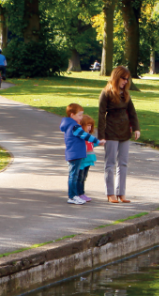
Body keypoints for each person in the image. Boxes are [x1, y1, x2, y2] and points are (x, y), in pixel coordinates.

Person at [98, 65, 140, 204]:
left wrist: (136, 128)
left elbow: (132, 112)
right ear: (116, 77)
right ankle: (110, 193)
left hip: (124, 132)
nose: (125, 81)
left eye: (127, 79)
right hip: (110, 131)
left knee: (123, 163)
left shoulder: (126, 94)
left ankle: (121, 192)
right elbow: (101, 115)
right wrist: (101, 135)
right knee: (110, 163)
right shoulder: (106, 93)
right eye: (123, 78)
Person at [60, 103, 101, 206]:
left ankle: (75, 195)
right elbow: (84, 135)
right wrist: (97, 140)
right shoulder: (74, 126)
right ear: (72, 115)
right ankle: (72, 196)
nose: (81, 117)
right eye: (79, 115)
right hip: (75, 154)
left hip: (74, 154)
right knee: (74, 175)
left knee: (74, 175)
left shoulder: (70, 125)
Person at [77, 114, 98, 202]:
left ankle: (82, 193)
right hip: (82, 160)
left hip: (88, 160)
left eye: (91, 125)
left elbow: (94, 144)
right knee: (79, 177)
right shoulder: (81, 136)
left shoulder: (90, 136)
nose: (89, 127)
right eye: (87, 125)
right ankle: (78, 193)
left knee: (84, 177)